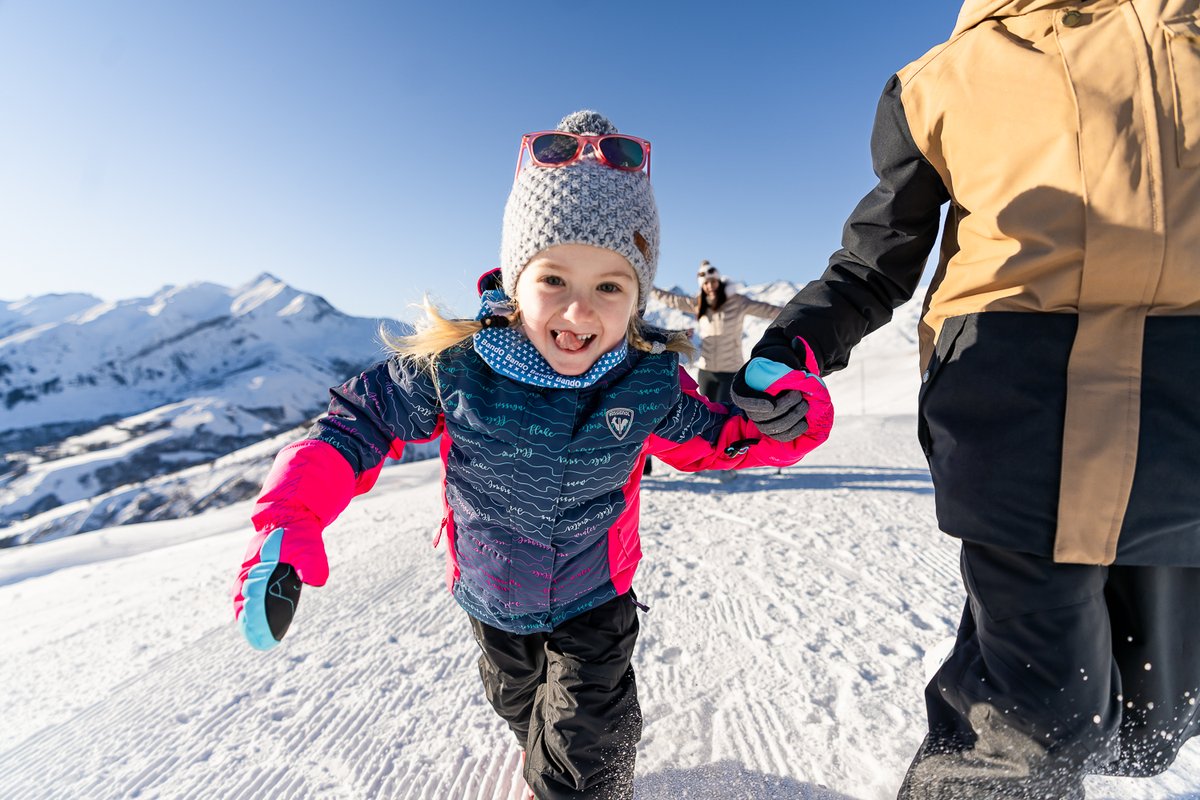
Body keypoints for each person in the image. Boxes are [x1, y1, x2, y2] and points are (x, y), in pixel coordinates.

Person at [231, 110, 833, 800]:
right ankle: (539, 753)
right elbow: (354, 426)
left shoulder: (647, 382)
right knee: (518, 705)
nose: (579, 312)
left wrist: (789, 423)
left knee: (586, 751)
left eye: (609, 286)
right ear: (515, 281)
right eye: (553, 280)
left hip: (595, 597)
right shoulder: (457, 370)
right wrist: (291, 516)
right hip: (492, 595)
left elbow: (720, 441)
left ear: (637, 299)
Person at [734, 1, 1200, 796]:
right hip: (1018, 418)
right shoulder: (942, 80)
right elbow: (874, 261)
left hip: (1181, 424)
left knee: (1153, 719)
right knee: (1033, 719)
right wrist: (791, 348)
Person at [652, 261, 783, 405]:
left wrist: (792, 312)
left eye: (713, 281)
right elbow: (673, 300)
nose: (710, 286)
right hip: (706, 371)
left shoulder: (737, 302)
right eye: (705, 283)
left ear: (719, 281)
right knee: (706, 410)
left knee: (725, 412)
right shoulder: (700, 304)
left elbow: (768, 310)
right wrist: (650, 289)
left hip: (730, 371)